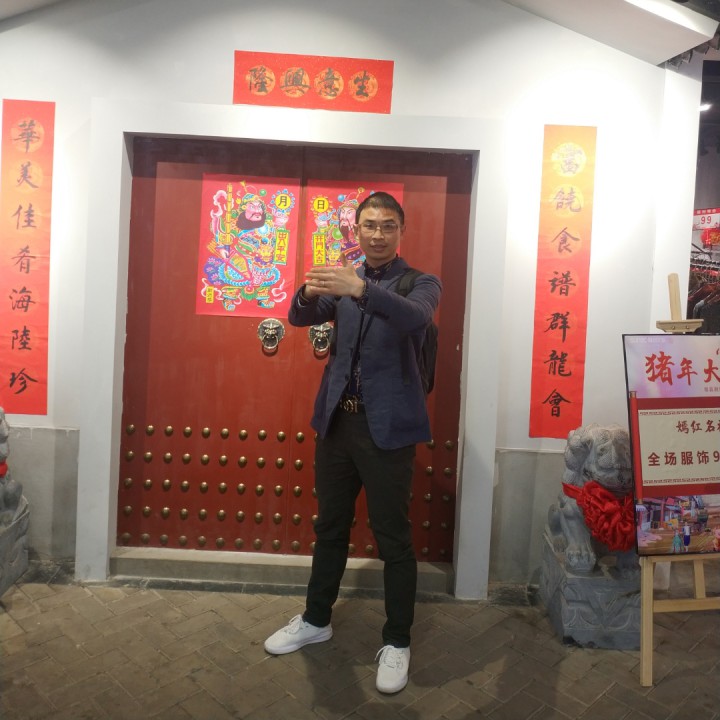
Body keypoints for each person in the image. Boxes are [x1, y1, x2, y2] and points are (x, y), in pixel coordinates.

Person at [264, 191, 442, 694]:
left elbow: (415, 317)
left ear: (400, 231)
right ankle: (316, 619)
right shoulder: (345, 280)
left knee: (393, 538)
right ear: (357, 230)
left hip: (388, 432)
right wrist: (306, 291)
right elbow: (300, 317)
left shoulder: (421, 283)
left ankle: (398, 640)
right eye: (369, 225)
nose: (377, 234)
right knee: (330, 527)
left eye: (387, 225)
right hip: (338, 425)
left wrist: (360, 288)